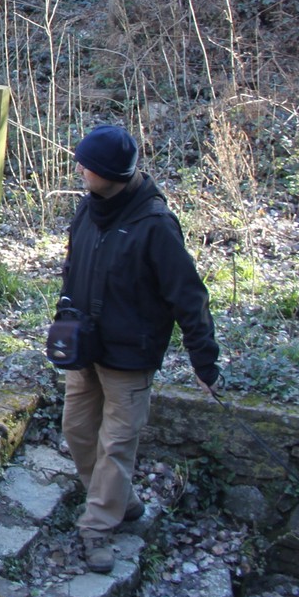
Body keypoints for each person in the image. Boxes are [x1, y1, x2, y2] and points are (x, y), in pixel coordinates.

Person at [59, 124, 220, 573]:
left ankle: (97, 528)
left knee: (116, 445)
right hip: (84, 348)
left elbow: (189, 297)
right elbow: (72, 268)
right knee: (77, 431)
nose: (79, 168)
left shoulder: (156, 225)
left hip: (130, 357)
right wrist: (64, 319)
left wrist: (204, 361)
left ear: (111, 173)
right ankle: (121, 500)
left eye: (87, 165)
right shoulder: (87, 210)